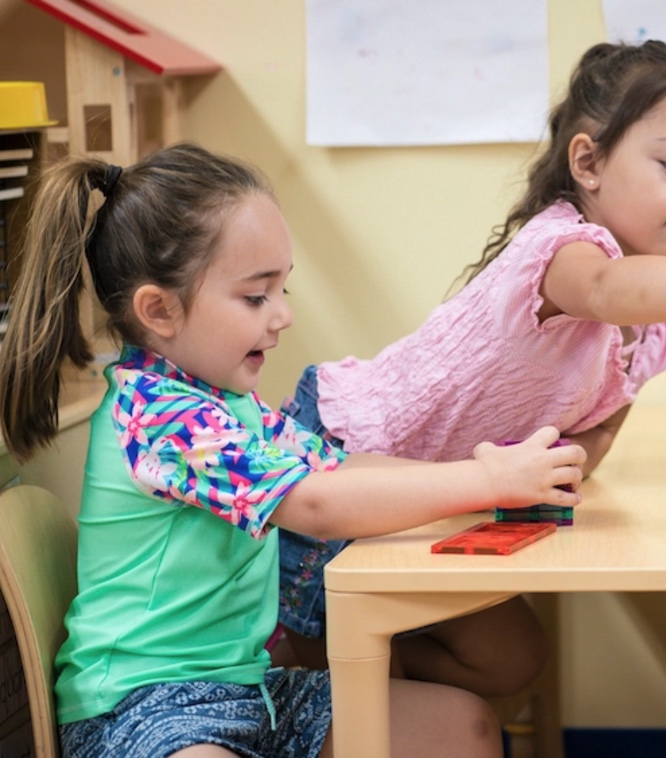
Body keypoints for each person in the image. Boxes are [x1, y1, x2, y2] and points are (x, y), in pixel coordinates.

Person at [275, 39, 666, 686]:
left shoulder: (658, 326)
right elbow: (606, 291)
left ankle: (385, 689)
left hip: (446, 502)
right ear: (588, 162)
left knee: (513, 660)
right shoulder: (562, 249)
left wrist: (562, 468)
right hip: (348, 457)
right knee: (336, 674)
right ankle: (296, 658)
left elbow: (596, 429)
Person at [0, 142, 586, 758]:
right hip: (142, 707)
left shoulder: (229, 405)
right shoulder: (159, 416)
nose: (282, 315)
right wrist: (486, 483)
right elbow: (316, 504)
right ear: (159, 310)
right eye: (257, 296)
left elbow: (339, 465)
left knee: (459, 726)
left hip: (250, 691)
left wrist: (478, 473)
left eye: (282, 289)